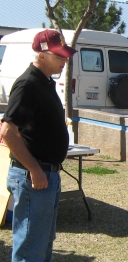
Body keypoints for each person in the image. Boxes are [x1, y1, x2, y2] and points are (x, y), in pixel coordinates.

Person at [0, 29, 77, 261]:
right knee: (30, 250)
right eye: (59, 56)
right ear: (41, 55)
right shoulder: (28, 85)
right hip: (33, 177)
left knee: (41, 245)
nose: (65, 61)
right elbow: (8, 132)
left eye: (65, 56)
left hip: (45, 175)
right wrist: (34, 169)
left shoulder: (44, 83)